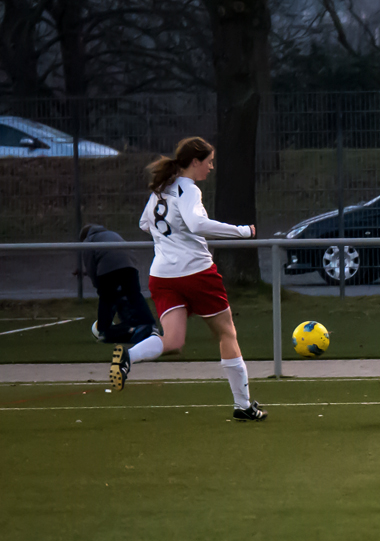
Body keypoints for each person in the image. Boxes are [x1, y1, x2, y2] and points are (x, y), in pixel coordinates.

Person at [109, 136, 266, 422]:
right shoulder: (188, 189)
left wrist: (169, 238)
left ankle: (128, 357)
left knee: (173, 342)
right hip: (196, 273)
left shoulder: (161, 188)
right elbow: (197, 224)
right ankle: (243, 405)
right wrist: (242, 231)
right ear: (195, 162)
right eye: (208, 162)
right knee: (226, 333)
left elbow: (145, 224)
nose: (212, 167)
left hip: (162, 275)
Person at [80, 224, 157, 345]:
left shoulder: (89, 241)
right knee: (134, 296)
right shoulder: (112, 234)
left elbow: (91, 266)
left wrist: (98, 285)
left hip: (107, 269)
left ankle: (104, 330)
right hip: (129, 266)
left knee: (106, 299)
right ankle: (150, 325)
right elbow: (121, 254)